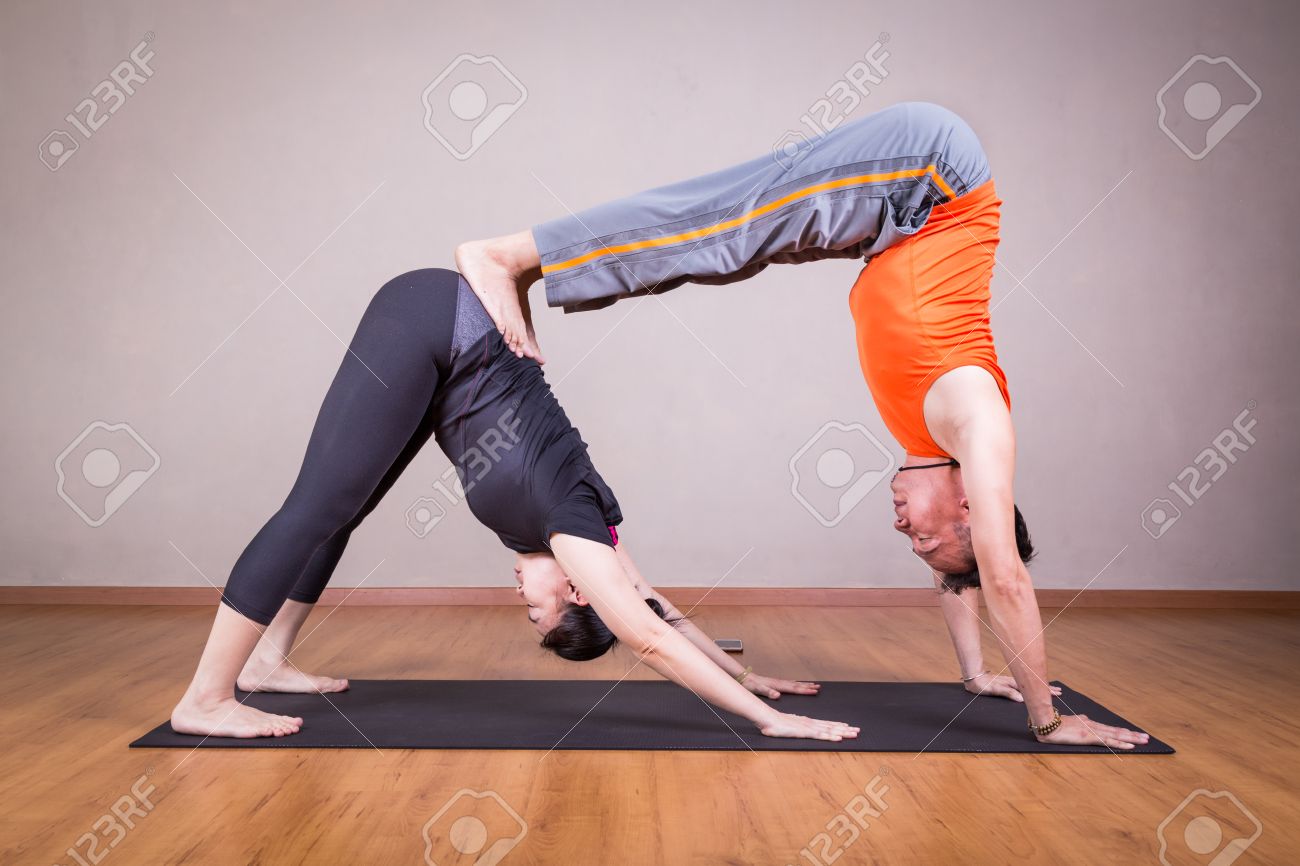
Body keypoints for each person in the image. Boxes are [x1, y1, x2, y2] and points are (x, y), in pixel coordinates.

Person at [456, 101, 1149, 749]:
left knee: (726, 250)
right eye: (927, 536)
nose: (904, 529)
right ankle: (510, 253)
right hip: (929, 180)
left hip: (890, 221)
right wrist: (1046, 717)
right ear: (969, 509)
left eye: (914, 546)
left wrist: (974, 674)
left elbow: (962, 577)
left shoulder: (930, 446)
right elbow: (1001, 577)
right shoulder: (979, 424)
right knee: (727, 221)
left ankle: (530, 268)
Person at [170, 268, 857, 743]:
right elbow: (649, 639)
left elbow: (658, 609)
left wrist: (749, 673)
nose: (519, 595)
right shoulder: (577, 537)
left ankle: (265, 661)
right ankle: (206, 697)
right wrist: (768, 719)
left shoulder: (595, 539)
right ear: (579, 592)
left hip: (443, 357)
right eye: (537, 606)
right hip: (437, 319)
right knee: (314, 506)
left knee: (338, 508)